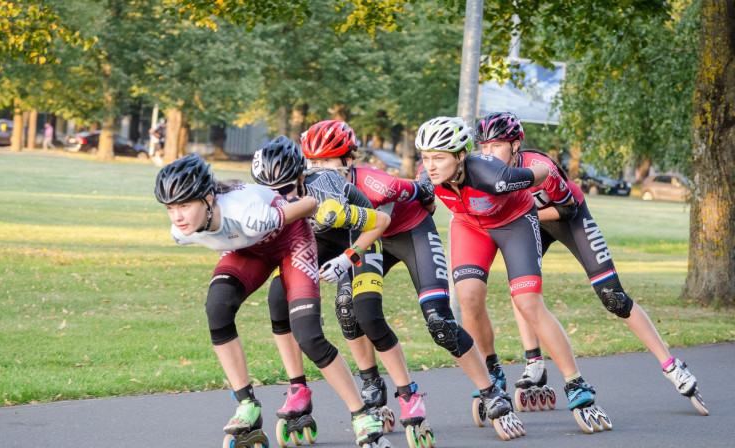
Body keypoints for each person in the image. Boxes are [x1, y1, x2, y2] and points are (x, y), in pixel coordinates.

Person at [300, 120, 528, 442]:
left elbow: (420, 190)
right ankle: (371, 384)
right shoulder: (311, 188)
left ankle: (491, 392)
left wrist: (428, 201)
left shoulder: (377, 183)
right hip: (368, 240)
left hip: (411, 233)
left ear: (349, 160)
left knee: (439, 321)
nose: (317, 168)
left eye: (326, 161)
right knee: (348, 308)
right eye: (313, 161)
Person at [472, 111, 708, 416]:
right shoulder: (483, 170)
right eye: (484, 147)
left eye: (496, 146)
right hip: (529, 221)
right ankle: (534, 363)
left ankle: (672, 366)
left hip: (567, 215)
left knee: (613, 297)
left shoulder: (539, 167)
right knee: (522, 290)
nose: (488, 153)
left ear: (516, 144)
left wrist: (524, 213)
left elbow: (567, 208)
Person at [154, 153, 392, 448]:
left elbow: (309, 205)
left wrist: (344, 254)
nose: (177, 216)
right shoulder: (181, 232)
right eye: (170, 208)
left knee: (308, 336)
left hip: (291, 242)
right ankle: (247, 405)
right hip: (249, 250)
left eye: (185, 205)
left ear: (208, 198)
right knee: (217, 308)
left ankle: (360, 416)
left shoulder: (250, 213)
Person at [416, 116, 612, 435]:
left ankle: (577, 384)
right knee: (467, 298)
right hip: (469, 225)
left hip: (514, 223)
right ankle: (493, 372)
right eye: (425, 157)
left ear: (461, 155)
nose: (431, 165)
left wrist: (549, 183)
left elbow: (543, 172)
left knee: (528, 303)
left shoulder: (493, 174)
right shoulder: (427, 176)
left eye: (439, 157)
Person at [251, 136, 414, 446]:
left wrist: (347, 258)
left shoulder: (325, 193)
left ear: (300, 177)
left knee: (363, 312)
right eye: (270, 192)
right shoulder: (264, 200)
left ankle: (408, 393)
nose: (280, 199)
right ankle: (298, 389)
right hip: (320, 240)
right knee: (277, 298)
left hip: (359, 233)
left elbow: (381, 221)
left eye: (286, 189)